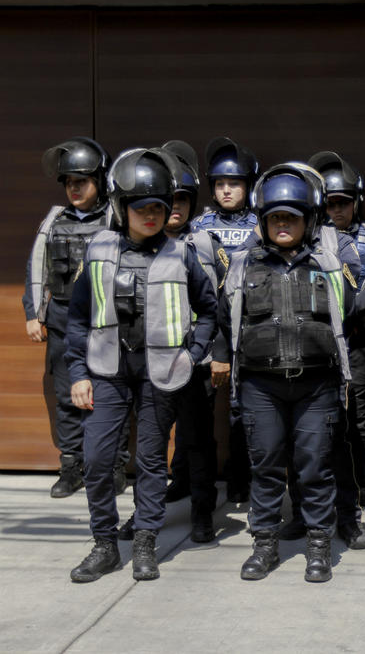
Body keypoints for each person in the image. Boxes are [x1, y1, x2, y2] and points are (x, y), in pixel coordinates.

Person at [65, 148, 218, 582]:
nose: (151, 216)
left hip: (161, 374)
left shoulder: (182, 253)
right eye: (141, 208)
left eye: (159, 207)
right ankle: (105, 545)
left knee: (152, 460)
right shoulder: (97, 250)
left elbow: (209, 310)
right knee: (96, 459)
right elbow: (78, 317)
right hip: (105, 373)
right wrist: (78, 373)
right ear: (121, 208)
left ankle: (146, 542)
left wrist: (192, 352)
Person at [220, 163, 357, 583]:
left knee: (315, 467)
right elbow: (225, 318)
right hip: (261, 386)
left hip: (317, 385)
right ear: (263, 221)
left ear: (308, 220)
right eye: (275, 216)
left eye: (291, 217)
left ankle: (319, 546)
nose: (283, 224)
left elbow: (348, 310)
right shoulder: (243, 265)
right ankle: (264, 546)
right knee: (265, 468)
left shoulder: (329, 263)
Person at [25, 137, 130, 498]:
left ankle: (114, 465)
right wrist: (33, 314)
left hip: (106, 322)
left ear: (100, 181)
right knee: (67, 395)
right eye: (69, 182)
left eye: (81, 181)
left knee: (111, 394)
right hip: (61, 321)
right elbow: (37, 268)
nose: (74, 188)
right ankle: (71, 468)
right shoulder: (54, 220)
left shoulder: (115, 220)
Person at [308, 150, 365, 549]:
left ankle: (358, 487)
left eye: (342, 202)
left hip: (359, 338)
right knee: (318, 422)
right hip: (320, 341)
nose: (335, 209)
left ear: (356, 201)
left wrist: (348, 309)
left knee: (356, 418)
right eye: (329, 203)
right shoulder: (310, 236)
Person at [160, 140, 227, 543]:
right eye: (169, 199)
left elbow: (221, 306)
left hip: (196, 361)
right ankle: (147, 516)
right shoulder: (129, 248)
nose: (175, 207)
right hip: (148, 364)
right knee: (151, 448)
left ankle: (203, 515)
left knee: (199, 442)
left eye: (183, 199)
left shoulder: (205, 246)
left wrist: (217, 354)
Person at [192, 136, 260, 504]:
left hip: (247, 327)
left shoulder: (261, 223)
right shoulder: (198, 224)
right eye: (220, 183)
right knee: (197, 406)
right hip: (207, 326)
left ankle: (240, 477)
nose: (227, 190)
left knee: (242, 407)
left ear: (249, 185)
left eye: (234, 183)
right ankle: (187, 478)